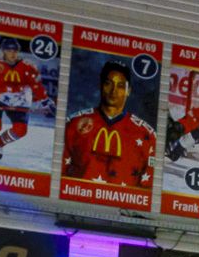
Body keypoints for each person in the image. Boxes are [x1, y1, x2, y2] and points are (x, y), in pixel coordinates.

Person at [61, 60, 155, 190]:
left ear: (128, 91)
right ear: (101, 85)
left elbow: (148, 189)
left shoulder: (147, 135)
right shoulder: (74, 124)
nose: (113, 91)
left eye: (120, 86)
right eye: (108, 83)